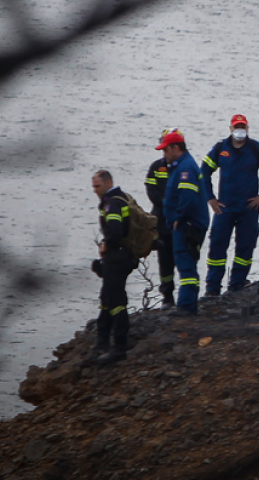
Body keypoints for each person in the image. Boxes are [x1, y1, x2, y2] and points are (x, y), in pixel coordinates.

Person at [200, 115, 259, 296]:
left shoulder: (256, 148)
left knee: (245, 248)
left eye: (243, 126)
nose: (240, 130)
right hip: (224, 209)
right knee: (216, 247)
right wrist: (210, 198)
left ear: (247, 128)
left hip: (248, 209)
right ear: (230, 128)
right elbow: (204, 171)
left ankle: (236, 287)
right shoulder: (221, 148)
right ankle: (212, 290)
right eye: (236, 126)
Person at [158, 129, 210, 316]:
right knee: (187, 264)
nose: (164, 155)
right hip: (187, 223)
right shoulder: (181, 166)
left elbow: (187, 197)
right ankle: (188, 303)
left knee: (186, 264)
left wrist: (178, 219)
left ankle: (186, 305)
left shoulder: (185, 168)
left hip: (187, 225)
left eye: (165, 150)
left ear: (175, 148)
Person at [90, 170, 135, 365]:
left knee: (115, 302)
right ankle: (102, 341)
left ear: (109, 183)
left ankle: (119, 347)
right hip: (120, 256)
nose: (94, 190)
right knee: (106, 299)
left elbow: (115, 231)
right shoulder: (119, 199)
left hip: (117, 258)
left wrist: (106, 244)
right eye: (93, 186)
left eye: (97, 186)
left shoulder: (113, 203)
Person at [144, 130, 176, 309]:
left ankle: (189, 295)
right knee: (164, 262)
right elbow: (151, 190)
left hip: (179, 221)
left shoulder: (183, 166)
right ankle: (167, 296)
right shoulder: (156, 167)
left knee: (184, 259)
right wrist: (165, 201)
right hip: (162, 221)